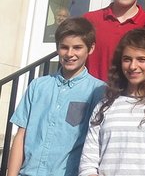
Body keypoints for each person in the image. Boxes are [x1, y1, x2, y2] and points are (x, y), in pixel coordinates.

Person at [7, 18, 105, 176]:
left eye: (77, 47)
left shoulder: (98, 91)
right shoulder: (38, 86)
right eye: (64, 47)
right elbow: (21, 136)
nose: (70, 54)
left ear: (91, 48)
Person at [79, 28, 145, 176]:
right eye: (127, 59)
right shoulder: (104, 106)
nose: (133, 66)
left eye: (141, 59)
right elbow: (88, 164)